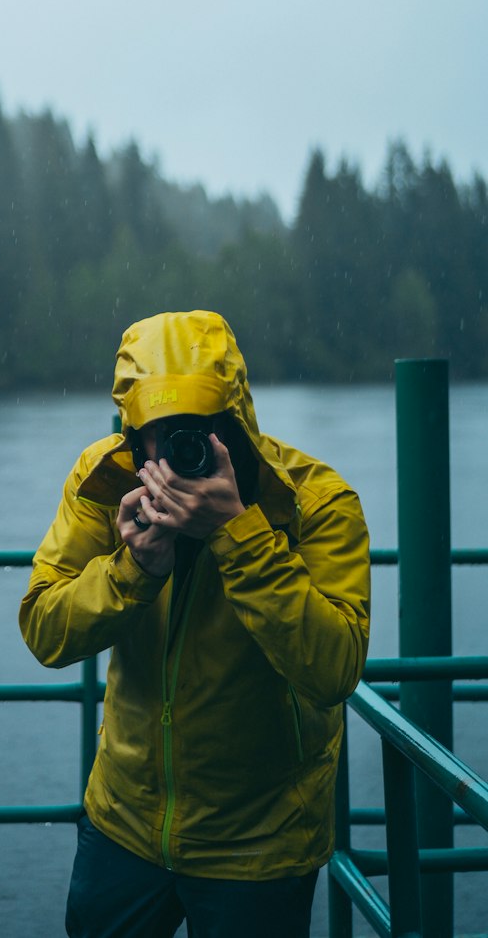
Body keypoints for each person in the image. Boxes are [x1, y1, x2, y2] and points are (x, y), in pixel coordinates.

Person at [19, 310, 370, 938]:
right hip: (124, 825)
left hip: (260, 845)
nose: (178, 450)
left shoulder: (317, 503)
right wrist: (132, 570)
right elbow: (45, 629)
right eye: (161, 433)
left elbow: (334, 668)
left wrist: (240, 534)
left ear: (233, 423)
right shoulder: (103, 484)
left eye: (198, 429)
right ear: (135, 436)